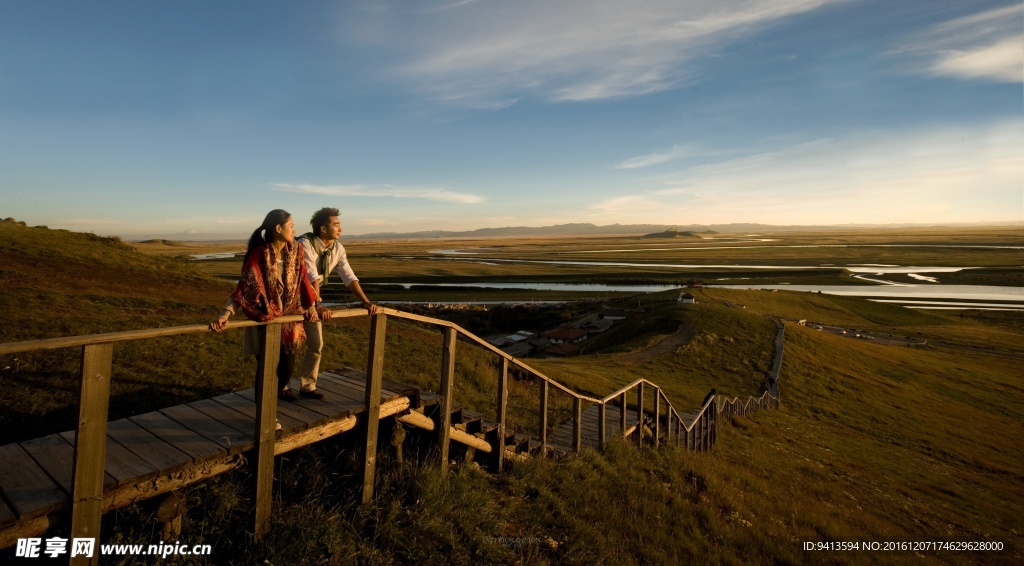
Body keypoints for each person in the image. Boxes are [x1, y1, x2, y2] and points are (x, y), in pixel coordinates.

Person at [209, 210, 320, 417]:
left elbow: (304, 282)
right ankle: (266, 417)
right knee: (266, 373)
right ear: (278, 229)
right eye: (291, 226)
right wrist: (225, 314)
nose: (294, 230)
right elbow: (244, 288)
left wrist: (311, 307)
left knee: (285, 372)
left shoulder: (296, 252)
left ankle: (270, 406)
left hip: (289, 326)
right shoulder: (259, 254)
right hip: (263, 323)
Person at [295, 207, 379, 399]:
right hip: (291, 299)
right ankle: (281, 387)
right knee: (288, 345)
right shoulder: (304, 243)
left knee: (316, 343)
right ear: (323, 229)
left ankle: (307, 386)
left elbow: (348, 277)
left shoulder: (338, 248)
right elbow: (311, 275)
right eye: (336, 225)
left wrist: (365, 301)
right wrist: (316, 305)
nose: (340, 229)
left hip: (312, 301)